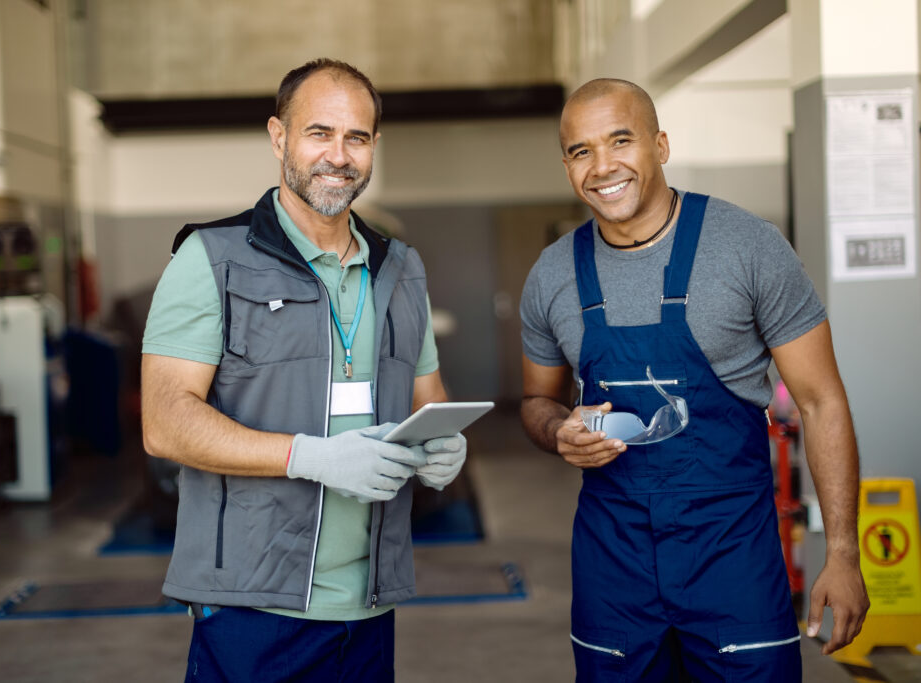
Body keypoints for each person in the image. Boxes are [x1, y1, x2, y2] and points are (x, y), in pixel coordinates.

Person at [519, 78, 869, 681]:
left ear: (660, 145)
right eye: (581, 151)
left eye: (620, 141)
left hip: (733, 558)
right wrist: (558, 432)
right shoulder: (552, 275)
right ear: (567, 166)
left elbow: (821, 401)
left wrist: (842, 553)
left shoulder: (747, 247)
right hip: (614, 565)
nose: (602, 167)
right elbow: (535, 400)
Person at [141, 58, 467, 683]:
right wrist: (310, 457)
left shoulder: (402, 270)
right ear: (279, 137)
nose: (338, 156)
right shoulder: (212, 259)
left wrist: (442, 445)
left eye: (357, 138)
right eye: (320, 133)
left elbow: (428, 397)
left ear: (374, 146)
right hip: (251, 607)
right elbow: (165, 423)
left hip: (369, 605)